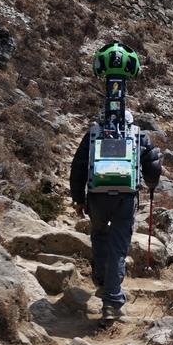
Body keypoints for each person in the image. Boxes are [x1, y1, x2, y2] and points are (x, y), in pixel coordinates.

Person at [69, 43, 161, 321]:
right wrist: (152, 184)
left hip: (97, 195)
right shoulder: (136, 133)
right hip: (125, 197)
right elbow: (153, 162)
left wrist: (78, 198)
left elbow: (79, 165)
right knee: (119, 246)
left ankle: (100, 277)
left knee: (99, 236)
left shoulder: (94, 132)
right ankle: (111, 301)